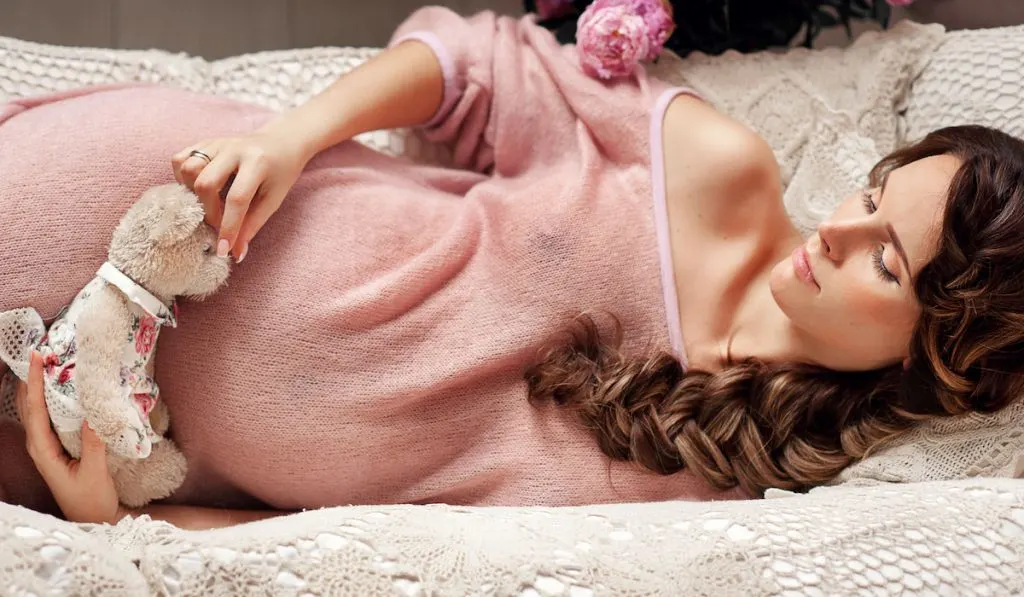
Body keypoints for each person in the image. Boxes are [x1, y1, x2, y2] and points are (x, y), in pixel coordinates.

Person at [2, 6, 1024, 531]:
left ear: (941, 363)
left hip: (92, 433)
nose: (837, 234)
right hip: (139, 189)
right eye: (875, 196)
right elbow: (474, 63)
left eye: (885, 264)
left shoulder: (722, 486)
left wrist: (122, 522)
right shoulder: (715, 172)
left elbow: (330, 539)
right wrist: (293, 138)